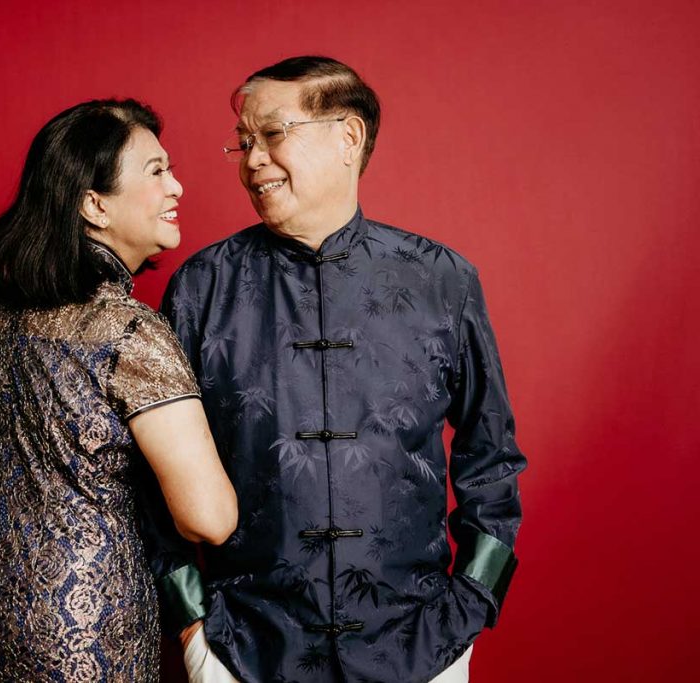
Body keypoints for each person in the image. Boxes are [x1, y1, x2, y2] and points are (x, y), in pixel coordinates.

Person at [143, 57, 527, 682]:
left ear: (347, 138)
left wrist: (473, 604)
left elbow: (493, 458)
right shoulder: (202, 288)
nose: (251, 160)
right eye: (243, 142)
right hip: (244, 649)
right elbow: (150, 477)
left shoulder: (441, 279)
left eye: (272, 134)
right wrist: (192, 626)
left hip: (421, 646)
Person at [0, 98, 237, 682]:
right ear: (94, 205)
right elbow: (209, 518)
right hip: (78, 622)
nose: (178, 186)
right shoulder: (131, 333)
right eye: (157, 171)